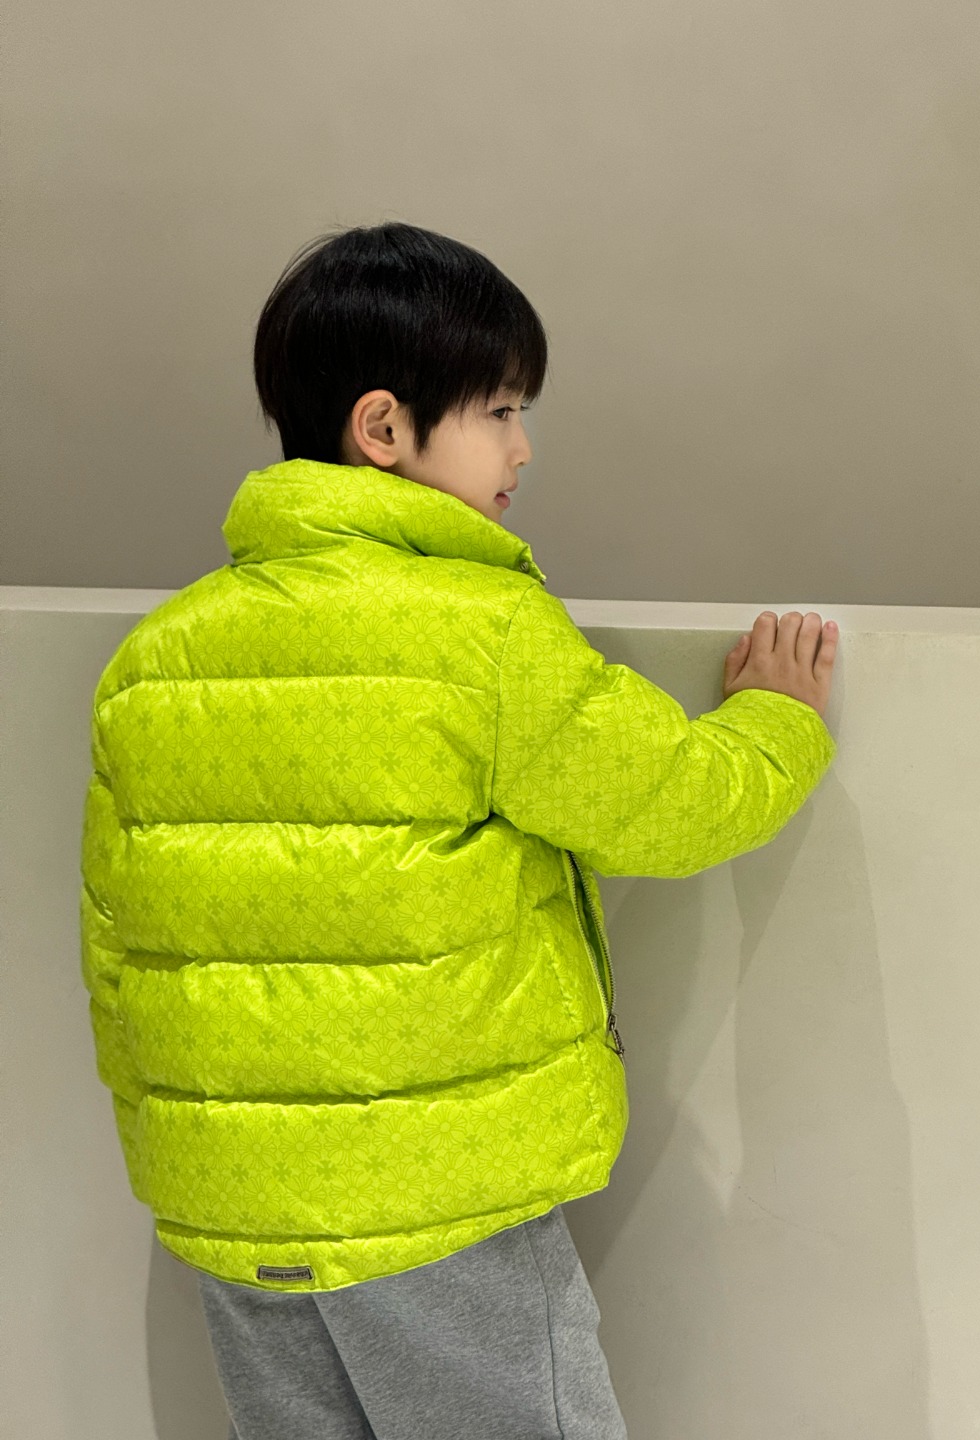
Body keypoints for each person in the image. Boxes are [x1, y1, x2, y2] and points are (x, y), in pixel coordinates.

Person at [79, 220, 839, 1439]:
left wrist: (178, 1157)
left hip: (232, 1214)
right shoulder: (483, 634)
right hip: (438, 1202)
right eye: (499, 410)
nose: (522, 447)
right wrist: (779, 720)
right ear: (383, 428)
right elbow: (672, 806)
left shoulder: (153, 661)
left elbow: (117, 953)